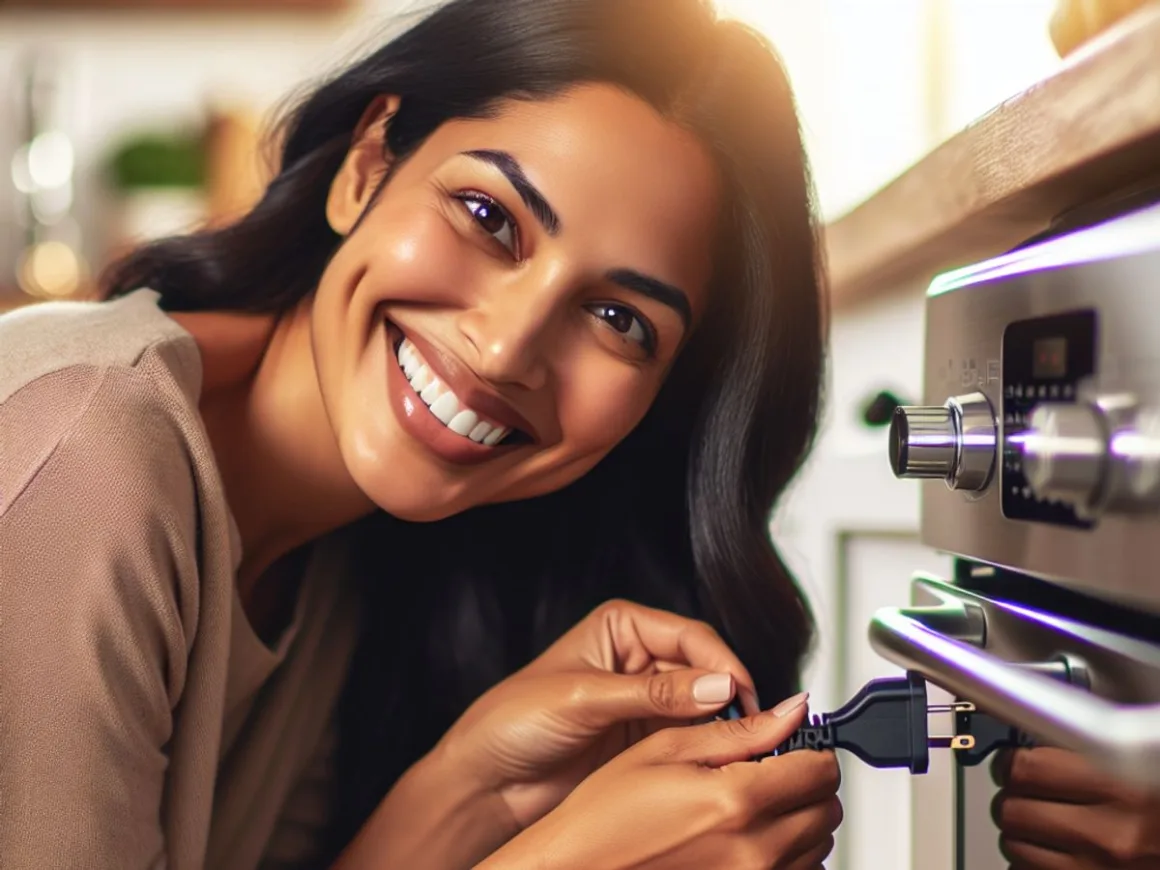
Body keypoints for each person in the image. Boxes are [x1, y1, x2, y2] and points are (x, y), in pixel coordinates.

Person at [0, 2, 1154, 870]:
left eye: (617, 318)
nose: (505, 348)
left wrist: (471, 784)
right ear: (367, 163)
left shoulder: (348, 551)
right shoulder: (82, 458)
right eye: (488, 216)